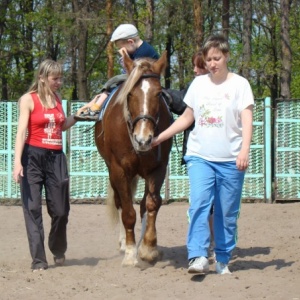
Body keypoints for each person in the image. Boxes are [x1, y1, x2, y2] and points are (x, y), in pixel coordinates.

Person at [152, 34, 254, 275]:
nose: (212, 64)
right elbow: (188, 118)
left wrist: (244, 150)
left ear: (226, 56)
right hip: (200, 156)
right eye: (208, 59)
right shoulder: (198, 85)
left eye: (217, 58)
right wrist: (160, 137)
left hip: (231, 159)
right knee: (199, 203)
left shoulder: (240, 85)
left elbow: (247, 121)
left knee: (226, 212)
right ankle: (197, 255)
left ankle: (222, 258)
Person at [13, 59, 77, 272]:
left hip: (57, 158)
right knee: (32, 209)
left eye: (60, 78)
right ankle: (39, 260)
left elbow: (62, 125)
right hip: (32, 157)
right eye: (55, 78)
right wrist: (17, 163)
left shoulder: (58, 99)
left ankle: (58, 248)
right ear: (42, 78)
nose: (59, 82)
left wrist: (78, 115)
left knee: (60, 210)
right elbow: (22, 132)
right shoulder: (28, 99)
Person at [163, 51, 215, 252]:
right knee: (203, 201)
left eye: (199, 66)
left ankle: (214, 238)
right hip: (198, 155)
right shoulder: (195, 87)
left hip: (223, 155)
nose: (195, 70)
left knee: (217, 203)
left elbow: (183, 101)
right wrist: (164, 93)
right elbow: (183, 102)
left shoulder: (225, 87)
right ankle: (206, 241)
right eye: (195, 66)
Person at [75, 23, 159, 120]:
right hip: (137, 77)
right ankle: (96, 105)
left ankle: (96, 108)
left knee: (113, 81)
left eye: (121, 47)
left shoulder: (143, 52)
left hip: (143, 79)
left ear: (131, 42)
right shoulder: (138, 49)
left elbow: (130, 71)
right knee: (113, 84)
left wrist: (125, 57)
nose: (120, 50)